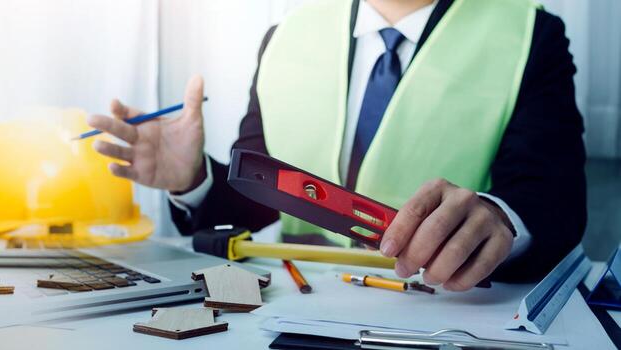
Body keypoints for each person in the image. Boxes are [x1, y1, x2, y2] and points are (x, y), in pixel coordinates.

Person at [86, 0, 585, 291]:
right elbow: (256, 204)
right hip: (301, 309)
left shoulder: (528, 34)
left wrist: (496, 221)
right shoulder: (285, 39)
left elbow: (552, 203)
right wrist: (194, 179)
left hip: (445, 317)